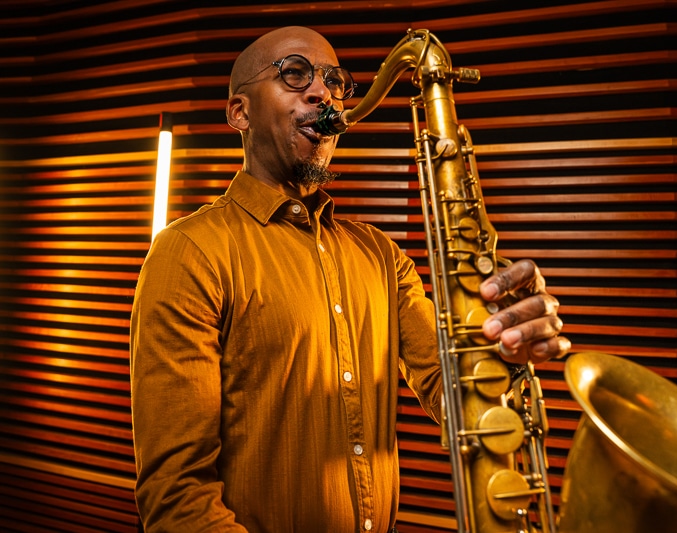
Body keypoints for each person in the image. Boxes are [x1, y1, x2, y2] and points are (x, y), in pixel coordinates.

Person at [130, 26, 570, 533]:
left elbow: (457, 398)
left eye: (336, 81)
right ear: (239, 113)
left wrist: (505, 353)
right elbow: (177, 499)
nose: (323, 92)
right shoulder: (188, 251)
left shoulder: (382, 256)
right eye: (295, 74)